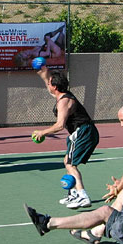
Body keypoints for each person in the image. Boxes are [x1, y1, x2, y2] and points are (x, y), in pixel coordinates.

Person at [32, 65, 99, 208]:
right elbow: (51, 90)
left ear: (55, 86)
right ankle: (73, 194)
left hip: (83, 132)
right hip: (83, 132)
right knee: (67, 161)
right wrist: (44, 76)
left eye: (49, 83)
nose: (48, 86)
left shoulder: (64, 101)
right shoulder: (61, 95)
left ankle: (82, 195)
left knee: (70, 164)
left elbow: (60, 125)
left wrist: (42, 132)